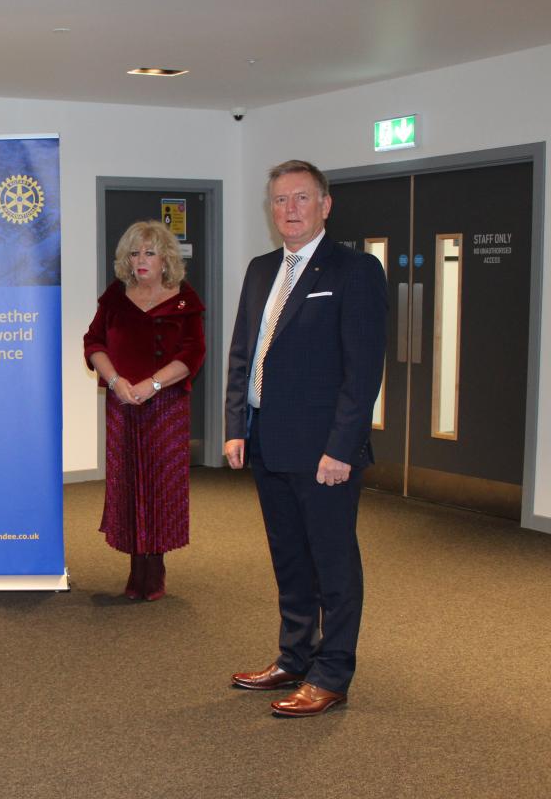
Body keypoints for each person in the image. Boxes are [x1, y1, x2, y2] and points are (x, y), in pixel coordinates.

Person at [224, 160, 387, 717]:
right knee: (289, 558)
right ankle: (294, 656)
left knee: (333, 564)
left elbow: (362, 373)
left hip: (325, 453)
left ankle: (332, 673)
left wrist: (341, 448)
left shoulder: (354, 270)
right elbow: (243, 354)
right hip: (268, 440)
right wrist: (234, 427)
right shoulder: (260, 268)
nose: (288, 210)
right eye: (278, 201)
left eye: (300, 199)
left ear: (325, 204)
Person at [84, 220, 206, 601]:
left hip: (165, 406)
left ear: (165, 258)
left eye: (149, 253)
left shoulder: (184, 299)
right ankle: (136, 571)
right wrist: (117, 381)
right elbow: (93, 343)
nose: (141, 260)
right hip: (122, 405)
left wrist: (152, 384)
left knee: (160, 486)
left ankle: (155, 571)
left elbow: (193, 353)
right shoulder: (115, 297)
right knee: (127, 482)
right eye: (134, 252)